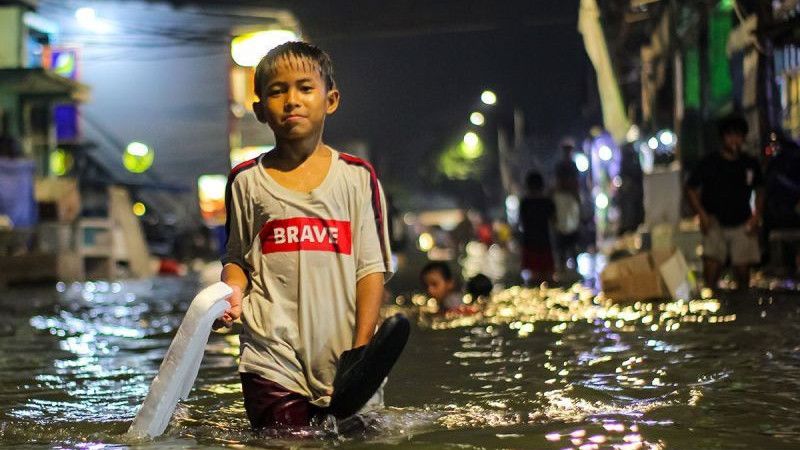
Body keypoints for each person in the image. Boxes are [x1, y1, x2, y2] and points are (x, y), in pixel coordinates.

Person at [217, 41, 393, 430]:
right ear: (261, 110)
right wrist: (229, 294)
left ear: (330, 100)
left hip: (346, 354)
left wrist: (361, 353)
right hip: (270, 355)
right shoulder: (246, 181)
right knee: (285, 441)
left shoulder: (358, 178)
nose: (291, 100)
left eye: (304, 88)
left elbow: (371, 271)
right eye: (277, 91)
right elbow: (238, 259)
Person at [686, 114, 763, 291]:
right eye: (730, 135)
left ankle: (742, 308)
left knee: (743, 274)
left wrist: (756, 216)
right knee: (711, 272)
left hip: (742, 221)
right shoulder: (710, 162)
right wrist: (702, 215)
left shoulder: (749, 163)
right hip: (714, 222)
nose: (734, 140)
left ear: (743, 137)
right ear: (723, 138)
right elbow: (690, 188)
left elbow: (761, 190)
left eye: (738, 135)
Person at [518, 170, 555, 285]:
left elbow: (522, 222)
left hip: (530, 242)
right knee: (548, 279)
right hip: (544, 242)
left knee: (533, 279)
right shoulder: (547, 202)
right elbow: (554, 221)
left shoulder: (525, 203)